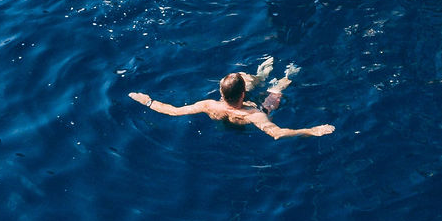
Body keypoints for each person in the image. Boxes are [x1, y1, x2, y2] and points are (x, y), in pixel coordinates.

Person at [129, 58, 333, 140]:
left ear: (221, 92)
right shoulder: (254, 115)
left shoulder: (208, 105)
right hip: (246, 118)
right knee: (274, 95)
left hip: (224, 120)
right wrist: (311, 131)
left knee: (241, 78)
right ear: (242, 94)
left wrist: (148, 101)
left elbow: (173, 111)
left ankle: (261, 75)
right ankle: (286, 75)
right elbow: (278, 134)